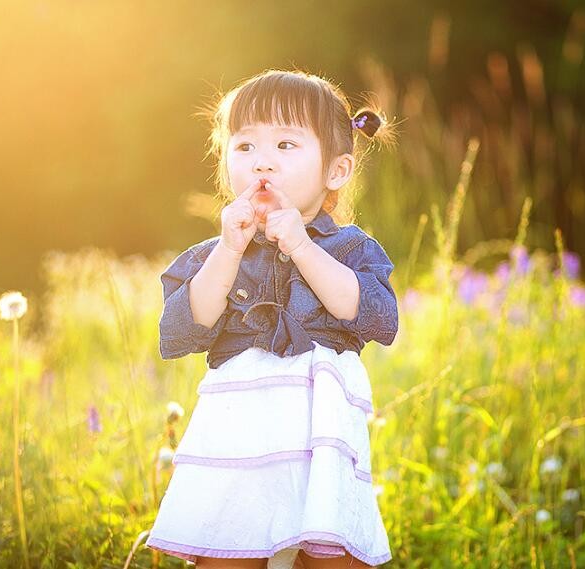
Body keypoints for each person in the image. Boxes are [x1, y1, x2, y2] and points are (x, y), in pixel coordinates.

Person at [145, 68, 399, 569]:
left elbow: (376, 316)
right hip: (238, 434)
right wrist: (229, 249)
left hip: (320, 431)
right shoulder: (212, 254)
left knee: (331, 552)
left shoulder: (350, 249)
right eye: (244, 147)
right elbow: (180, 330)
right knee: (228, 550)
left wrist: (302, 247)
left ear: (337, 171)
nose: (262, 161)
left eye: (286, 145)